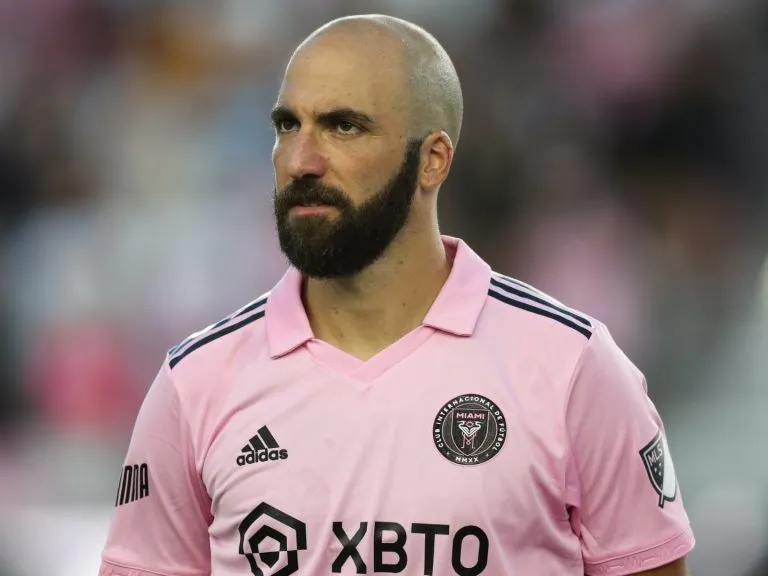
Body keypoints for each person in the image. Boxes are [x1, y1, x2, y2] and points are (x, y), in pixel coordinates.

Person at [99, 14, 693, 576]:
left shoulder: (573, 367)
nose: (301, 160)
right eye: (287, 125)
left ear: (432, 160)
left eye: (343, 126)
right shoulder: (195, 383)